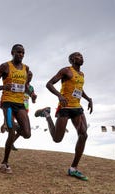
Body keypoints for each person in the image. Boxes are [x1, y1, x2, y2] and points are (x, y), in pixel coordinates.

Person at [35, 52, 93, 181]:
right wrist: (59, 96)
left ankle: (73, 168)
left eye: (82, 56)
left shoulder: (82, 74)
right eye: (78, 56)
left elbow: (79, 89)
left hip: (77, 108)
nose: (81, 57)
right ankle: (47, 114)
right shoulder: (66, 71)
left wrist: (88, 98)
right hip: (65, 107)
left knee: (83, 134)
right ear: (72, 59)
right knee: (57, 139)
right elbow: (49, 84)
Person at [0, 44, 32, 174]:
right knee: (11, 132)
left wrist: (31, 93)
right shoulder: (5, 66)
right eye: (18, 52)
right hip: (7, 102)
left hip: (20, 104)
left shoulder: (26, 68)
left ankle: (14, 127)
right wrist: (4, 87)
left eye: (23, 53)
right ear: (12, 52)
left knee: (27, 134)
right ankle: (5, 163)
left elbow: (25, 86)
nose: (21, 55)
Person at [0, 70, 37, 151]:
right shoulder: (19, 84)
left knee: (23, 129)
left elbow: (32, 98)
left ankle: (12, 141)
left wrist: (34, 98)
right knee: (11, 126)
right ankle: (6, 124)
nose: (30, 77)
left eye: (31, 76)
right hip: (13, 105)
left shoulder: (31, 87)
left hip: (24, 108)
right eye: (29, 75)